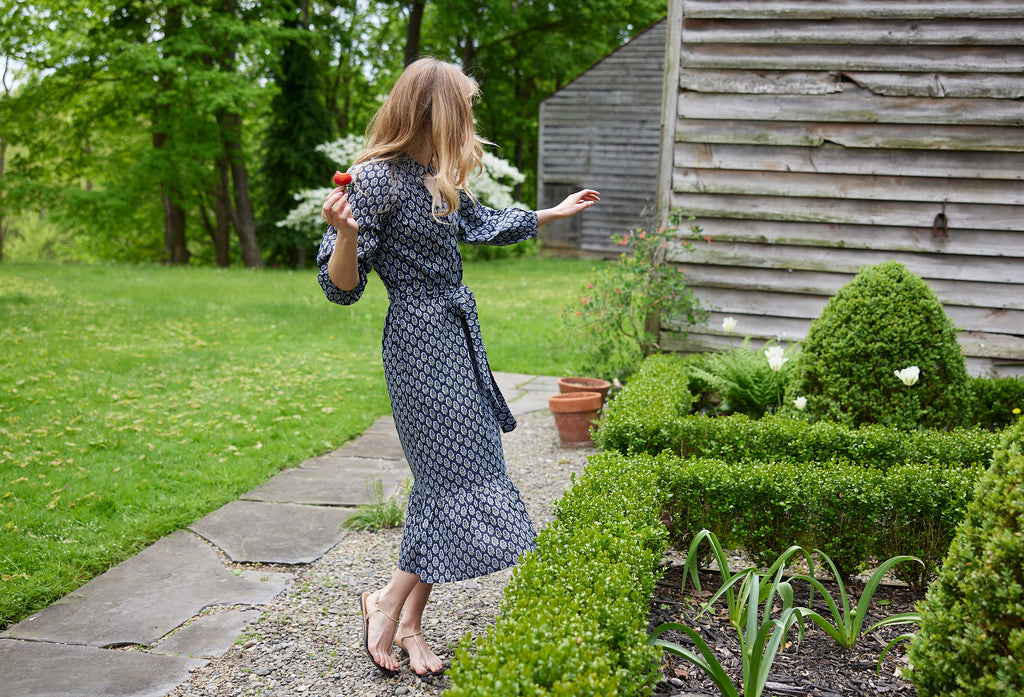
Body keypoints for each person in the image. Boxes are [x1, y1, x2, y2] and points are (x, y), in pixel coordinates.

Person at [316, 56, 599, 678]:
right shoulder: (375, 182)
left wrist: (550, 214)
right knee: (449, 481)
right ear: (438, 111)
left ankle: (407, 621)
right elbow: (341, 288)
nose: (470, 117)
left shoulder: (438, 178)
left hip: (457, 339)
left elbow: (483, 224)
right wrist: (344, 234)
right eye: (465, 106)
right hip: (418, 344)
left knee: (458, 476)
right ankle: (387, 605)